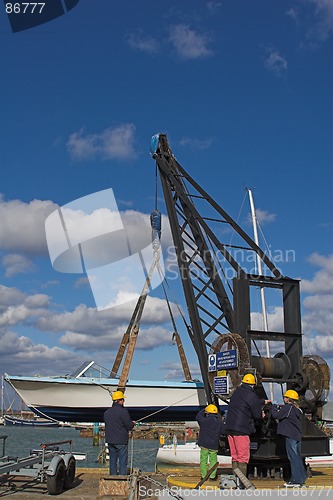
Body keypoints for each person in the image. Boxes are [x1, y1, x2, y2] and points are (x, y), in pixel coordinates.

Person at [225, 373, 264, 486]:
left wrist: (261, 402)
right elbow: (257, 415)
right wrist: (262, 415)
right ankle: (242, 483)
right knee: (243, 457)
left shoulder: (237, 392)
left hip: (230, 429)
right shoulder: (251, 395)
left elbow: (244, 402)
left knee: (235, 456)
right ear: (253, 384)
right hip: (241, 430)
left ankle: (235, 481)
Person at [271, 389, 306, 487]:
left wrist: (273, 406)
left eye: (285, 397)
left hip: (291, 435)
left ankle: (295, 480)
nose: (284, 399)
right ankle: (301, 478)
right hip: (297, 435)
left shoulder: (288, 408)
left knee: (293, 457)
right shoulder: (296, 409)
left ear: (288, 399)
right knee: (297, 457)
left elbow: (276, 415)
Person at [103, 390, 135, 475]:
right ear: (119, 400)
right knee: (122, 462)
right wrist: (133, 423)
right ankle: (122, 480)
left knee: (112, 461)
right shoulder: (123, 412)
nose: (124, 401)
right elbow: (129, 426)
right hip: (121, 441)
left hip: (110, 440)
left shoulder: (107, 412)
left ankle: (112, 478)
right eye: (123, 400)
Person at [196, 404, 226, 481]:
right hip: (214, 444)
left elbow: (198, 417)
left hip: (204, 444)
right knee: (213, 460)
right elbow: (223, 431)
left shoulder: (204, 421)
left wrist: (203, 410)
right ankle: (212, 476)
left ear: (207, 413)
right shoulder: (219, 422)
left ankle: (204, 476)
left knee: (203, 460)